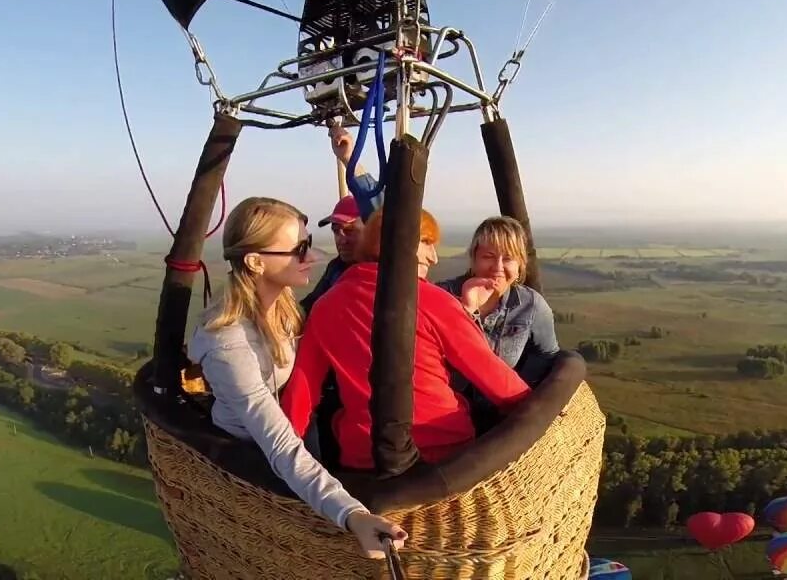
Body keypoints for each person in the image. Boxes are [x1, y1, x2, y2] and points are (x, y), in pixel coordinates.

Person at [187, 196, 406, 558]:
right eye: (299, 248)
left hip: (300, 431)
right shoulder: (229, 346)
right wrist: (352, 515)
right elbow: (281, 448)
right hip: (256, 460)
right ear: (256, 262)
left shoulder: (284, 307)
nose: (313, 256)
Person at [280, 208, 531, 469]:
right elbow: (497, 380)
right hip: (444, 454)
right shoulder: (433, 300)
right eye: (426, 243)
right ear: (397, 242)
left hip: (365, 460)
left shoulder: (325, 306)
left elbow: (301, 394)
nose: (433, 258)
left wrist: (281, 463)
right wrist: (544, 413)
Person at [437, 216, 560, 388]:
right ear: (474, 258)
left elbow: (547, 355)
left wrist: (521, 391)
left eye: (508, 258)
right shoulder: (442, 297)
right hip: (448, 407)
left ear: (520, 265)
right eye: (488, 256)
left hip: (504, 410)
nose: (498, 267)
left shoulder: (531, 306)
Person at [300, 124, 383, 314]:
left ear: (371, 231)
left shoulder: (382, 269)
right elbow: (310, 306)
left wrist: (349, 158)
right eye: (336, 230)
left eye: (350, 230)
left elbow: (382, 212)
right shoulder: (337, 268)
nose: (341, 238)